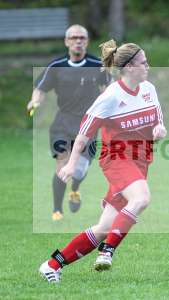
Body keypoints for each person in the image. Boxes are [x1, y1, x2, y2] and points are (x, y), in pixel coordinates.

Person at [39, 39, 167, 283]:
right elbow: (83, 135)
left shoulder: (149, 89)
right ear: (129, 67)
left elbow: (157, 120)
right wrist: (70, 164)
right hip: (116, 158)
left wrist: (159, 129)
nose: (147, 66)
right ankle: (107, 252)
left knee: (105, 228)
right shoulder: (110, 97)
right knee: (141, 198)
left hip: (140, 161)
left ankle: (52, 265)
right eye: (143, 62)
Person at [27, 24, 110, 221]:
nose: (78, 41)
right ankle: (57, 210)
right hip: (62, 124)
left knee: (79, 170)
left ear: (87, 41)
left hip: (89, 125)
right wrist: (35, 101)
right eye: (73, 38)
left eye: (82, 37)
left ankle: (75, 189)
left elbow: (109, 88)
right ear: (67, 42)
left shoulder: (97, 64)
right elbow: (40, 88)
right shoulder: (56, 66)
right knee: (62, 164)